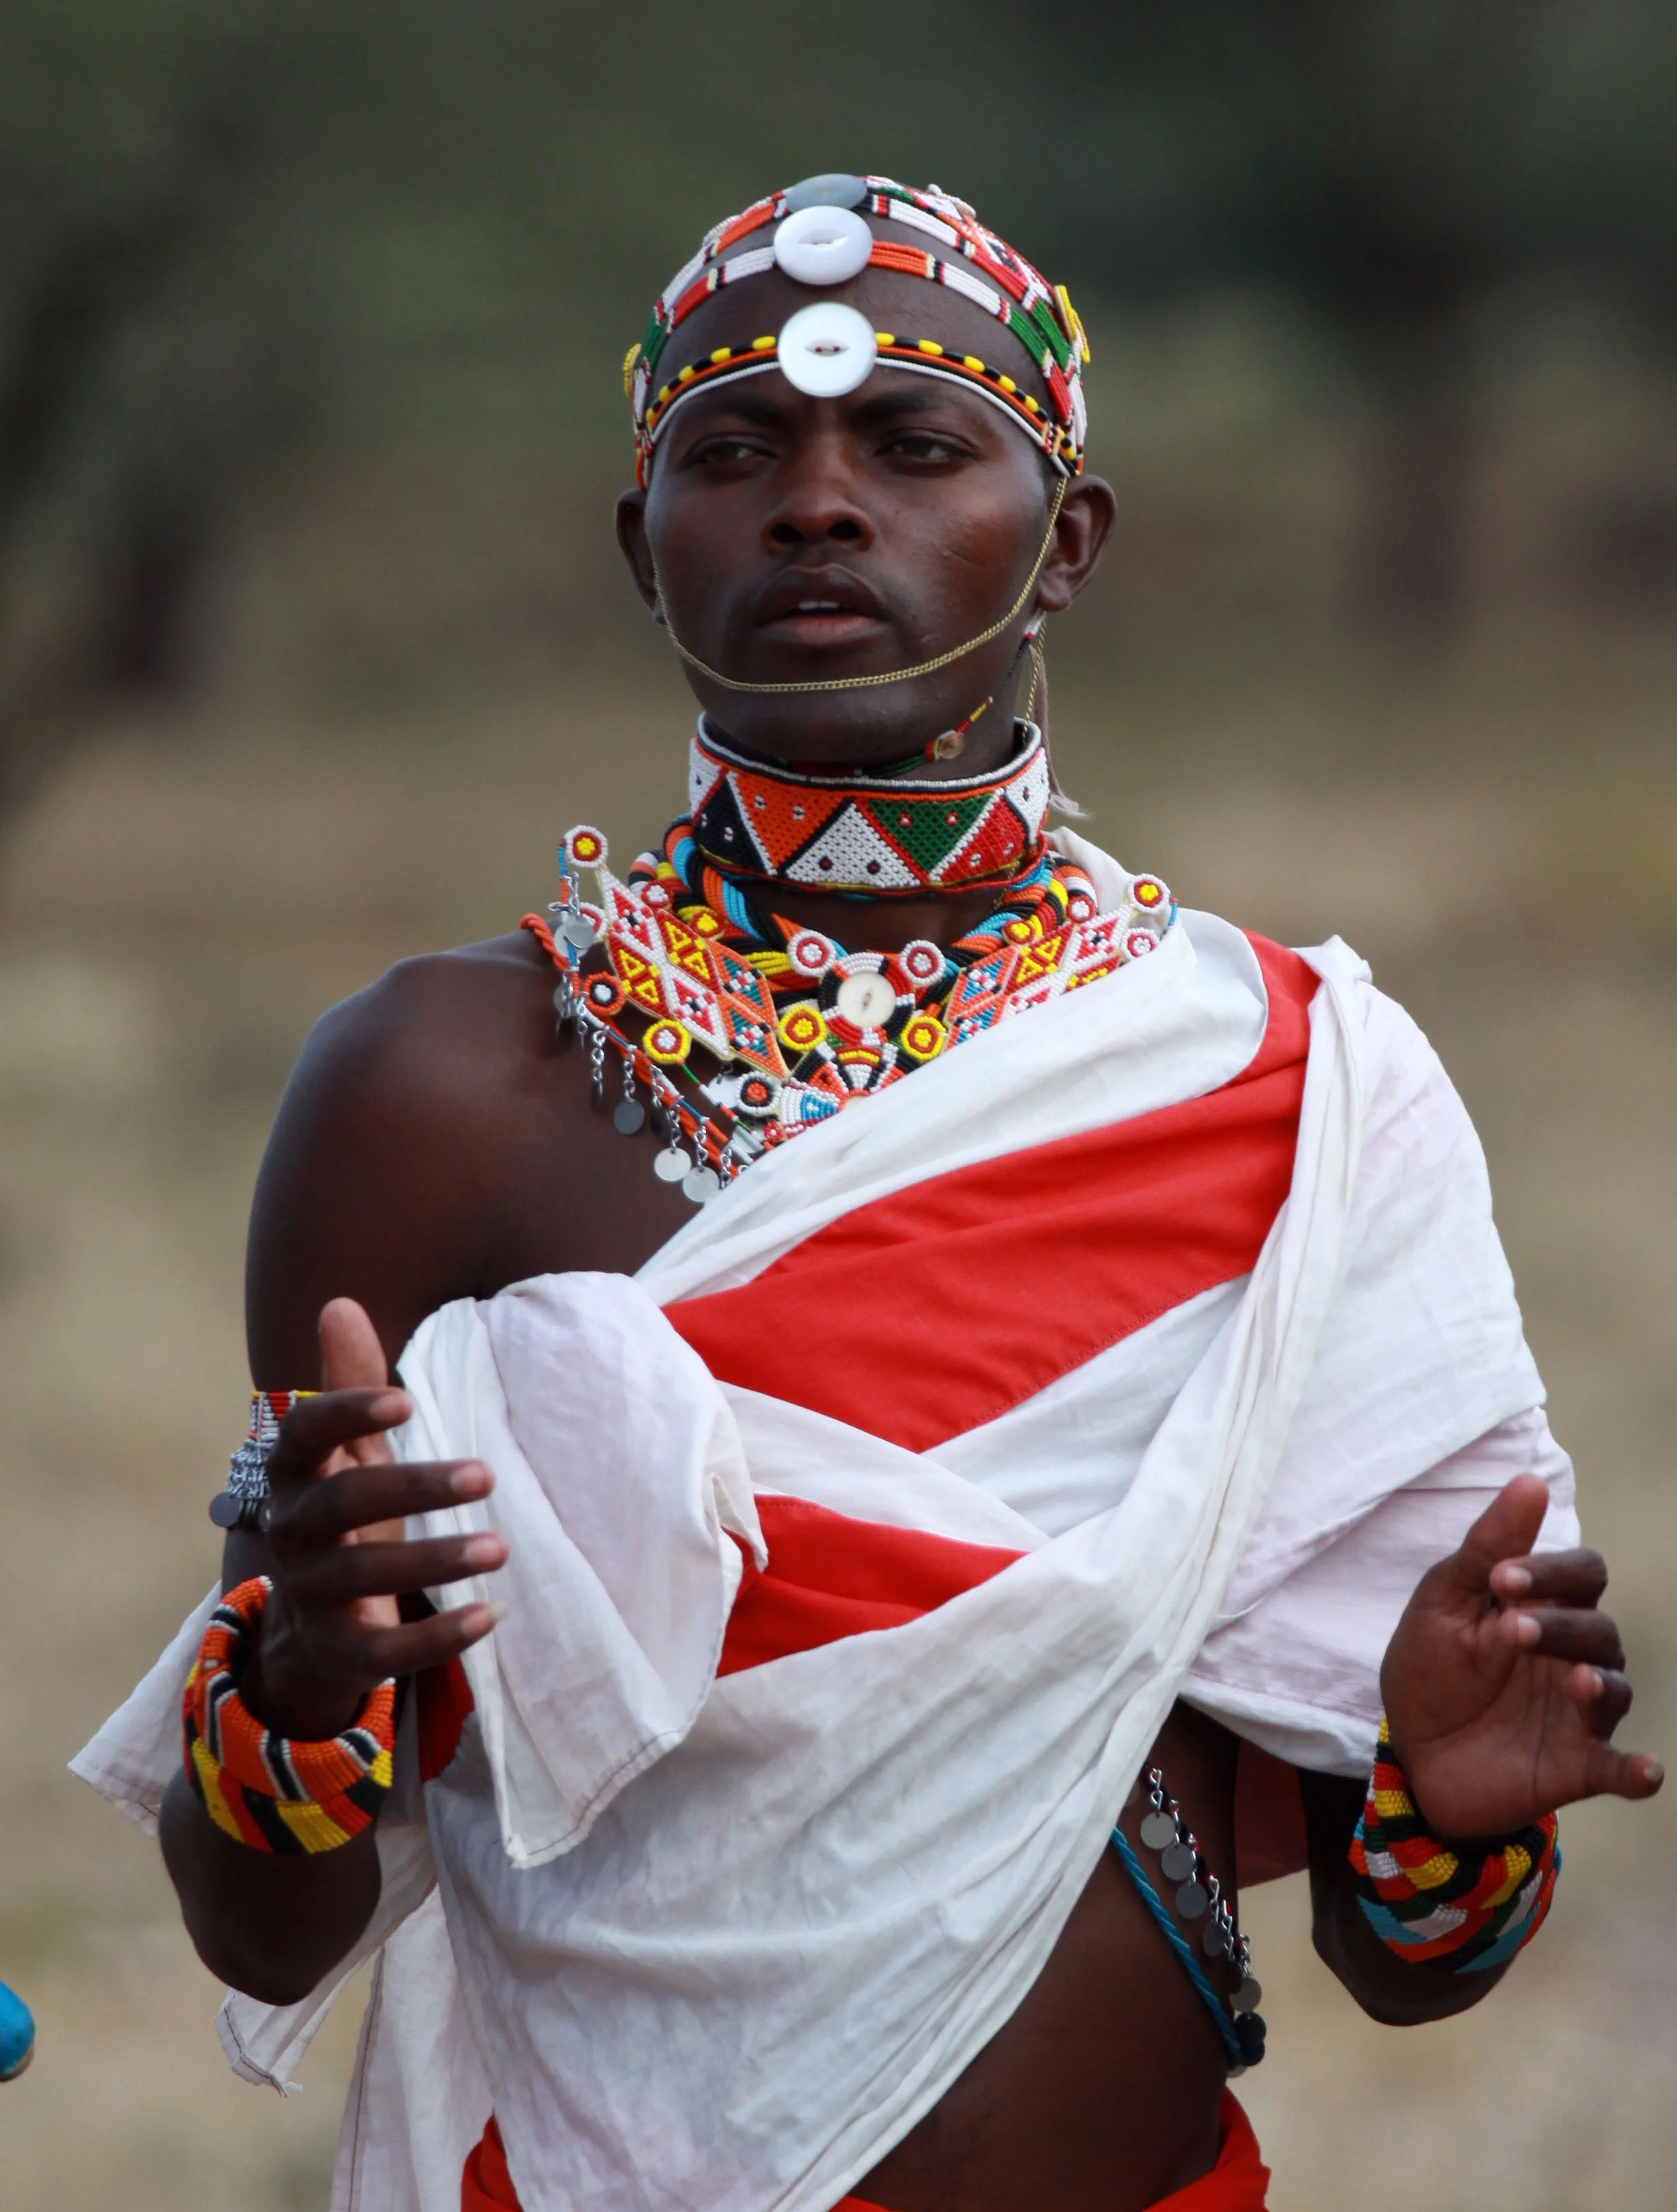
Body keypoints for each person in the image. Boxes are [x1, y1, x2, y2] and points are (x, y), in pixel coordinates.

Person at [76, 175, 1661, 2212]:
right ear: (642, 548)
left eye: (915, 447)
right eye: (731, 456)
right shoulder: (433, 1093)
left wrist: (1451, 1816)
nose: (821, 506)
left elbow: (1413, 1965)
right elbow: (262, 1929)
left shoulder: (1296, 1089)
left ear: (1063, 537)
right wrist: (299, 1680)